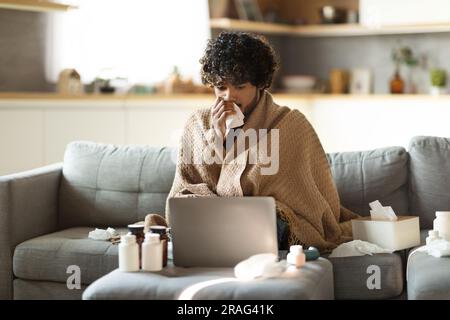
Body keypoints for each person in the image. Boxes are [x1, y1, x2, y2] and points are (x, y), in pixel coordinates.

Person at [166, 31, 359, 253]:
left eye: (240, 86)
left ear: (259, 84)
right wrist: (219, 141)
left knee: (272, 224)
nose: (229, 97)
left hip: (269, 226)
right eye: (221, 87)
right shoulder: (197, 124)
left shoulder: (290, 124)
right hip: (213, 222)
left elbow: (313, 200)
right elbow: (184, 192)